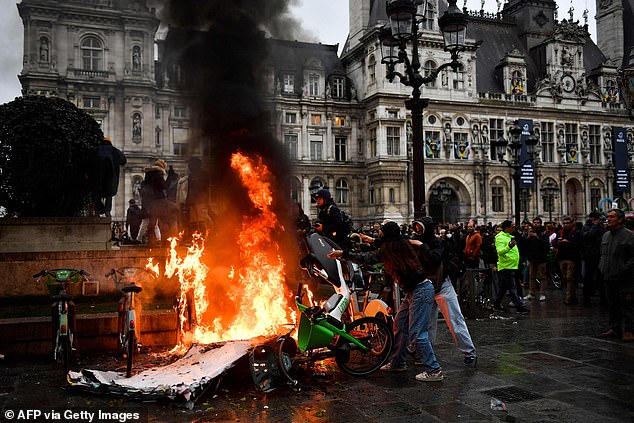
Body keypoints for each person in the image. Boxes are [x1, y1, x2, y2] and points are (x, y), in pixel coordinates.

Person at [329, 221, 443, 381]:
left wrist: (344, 254)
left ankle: (434, 370)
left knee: (418, 334)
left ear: (387, 235)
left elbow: (368, 257)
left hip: (421, 291)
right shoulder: (398, 244)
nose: (380, 233)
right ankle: (398, 362)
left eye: (382, 232)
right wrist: (366, 241)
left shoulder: (390, 250)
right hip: (414, 291)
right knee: (399, 325)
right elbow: (376, 247)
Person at [411, 217, 477, 367]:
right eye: (416, 228)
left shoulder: (437, 243)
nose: (417, 231)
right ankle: (424, 353)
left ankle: (469, 352)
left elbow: (434, 259)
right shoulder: (415, 242)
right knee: (427, 323)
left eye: (420, 228)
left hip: (441, 284)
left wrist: (421, 246)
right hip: (424, 285)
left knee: (454, 319)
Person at [598, 209, 634, 342]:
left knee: (627, 305)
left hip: (624, 278)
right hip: (608, 275)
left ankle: (629, 330)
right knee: (612, 304)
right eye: (608, 216)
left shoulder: (629, 236)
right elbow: (603, 254)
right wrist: (602, 267)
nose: (609, 219)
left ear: (620, 219)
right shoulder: (606, 235)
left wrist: (624, 268)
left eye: (612, 217)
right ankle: (615, 328)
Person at [492, 220, 529, 313]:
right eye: (512, 227)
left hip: (512, 265)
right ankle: (519, 307)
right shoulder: (500, 237)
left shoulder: (510, 236)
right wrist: (509, 246)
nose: (514, 228)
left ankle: (496, 305)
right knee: (512, 287)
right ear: (506, 228)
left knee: (503, 288)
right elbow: (500, 251)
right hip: (506, 266)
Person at [90, 136, 126, 216]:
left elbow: (89, 162)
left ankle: (97, 211)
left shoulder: (95, 150)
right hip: (110, 176)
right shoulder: (114, 150)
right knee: (109, 194)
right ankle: (107, 211)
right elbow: (123, 160)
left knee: (96, 193)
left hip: (97, 176)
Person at [137, 159, 168, 246]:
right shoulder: (159, 174)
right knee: (153, 221)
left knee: (148, 221)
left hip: (147, 201)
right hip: (156, 201)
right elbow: (163, 186)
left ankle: (143, 238)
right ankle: (155, 239)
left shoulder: (148, 174)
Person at [553, 216, 582, 305]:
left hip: (571, 258)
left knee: (570, 278)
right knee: (565, 278)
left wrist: (568, 243)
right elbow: (554, 243)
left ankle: (569, 298)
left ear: (572, 223)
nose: (565, 225)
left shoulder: (576, 232)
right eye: (564, 223)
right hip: (561, 257)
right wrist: (558, 243)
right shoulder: (560, 232)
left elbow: (579, 245)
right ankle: (572, 296)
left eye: (567, 223)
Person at [521, 218, 550, 302]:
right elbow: (525, 244)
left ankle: (542, 293)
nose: (536, 224)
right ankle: (531, 293)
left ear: (541, 223)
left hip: (541, 258)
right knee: (531, 276)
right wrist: (527, 237)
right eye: (535, 222)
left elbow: (546, 244)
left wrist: (537, 237)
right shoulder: (530, 232)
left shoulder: (543, 232)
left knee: (542, 277)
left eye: (538, 223)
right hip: (531, 257)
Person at [581, 211, 606, 307]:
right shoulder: (586, 227)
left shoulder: (601, 227)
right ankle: (586, 299)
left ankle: (603, 298)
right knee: (588, 277)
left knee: (601, 278)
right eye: (595, 219)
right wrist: (595, 226)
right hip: (590, 255)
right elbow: (588, 236)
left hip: (600, 255)